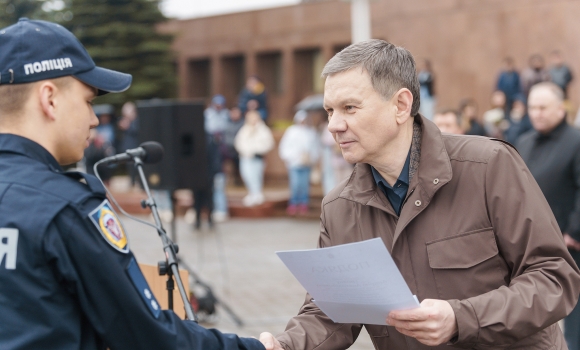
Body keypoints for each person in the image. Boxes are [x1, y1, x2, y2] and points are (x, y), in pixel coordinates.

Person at [259, 39, 580, 350]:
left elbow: (554, 277)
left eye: (349, 108)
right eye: (330, 110)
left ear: (401, 105)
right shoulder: (338, 208)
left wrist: (461, 318)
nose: (333, 125)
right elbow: (332, 311)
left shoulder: (488, 166)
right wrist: (286, 346)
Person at [0, 18, 264, 350]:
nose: (94, 119)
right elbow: (147, 336)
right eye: (88, 101)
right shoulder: (66, 208)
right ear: (49, 99)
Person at [516, 82, 580, 350]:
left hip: (570, 241)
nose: (536, 113)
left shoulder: (576, 140)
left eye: (542, 107)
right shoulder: (524, 141)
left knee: (574, 312)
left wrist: (575, 232)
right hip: (529, 241)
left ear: (560, 108)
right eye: (532, 107)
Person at [278, 110, 320, 215]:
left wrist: (312, 157)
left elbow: (315, 147)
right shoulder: (291, 131)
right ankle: (294, 202)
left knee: (304, 184)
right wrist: (290, 157)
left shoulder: (311, 132)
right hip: (294, 162)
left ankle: (303, 203)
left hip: (306, 162)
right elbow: (285, 146)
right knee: (295, 184)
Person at [234, 110, 274, 206]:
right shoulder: (244, 129)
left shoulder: (263, 130)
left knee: (256, 176)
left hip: (257, 158)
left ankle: (257, 194)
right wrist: (245, 151)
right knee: (247, 175)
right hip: (245, 157)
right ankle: (252, 193)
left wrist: (256, 150)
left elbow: (269, 143)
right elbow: (238, 142)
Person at [204, 94, 230, 222]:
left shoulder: (226, 116)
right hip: (210, 166)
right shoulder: (207, 115)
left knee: (219, 186)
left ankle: (221, 210)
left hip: (219, 165)